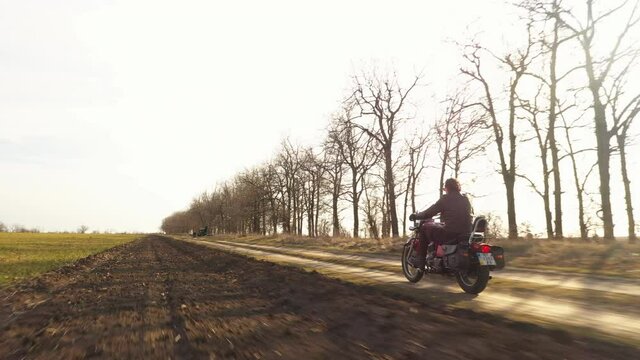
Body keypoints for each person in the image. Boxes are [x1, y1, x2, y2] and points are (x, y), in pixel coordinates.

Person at [408, 178, 472, 270]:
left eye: (445, 188)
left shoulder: (445, 199)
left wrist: (416, 216)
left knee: (424, 228)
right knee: (439, 228)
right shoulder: (465, 199)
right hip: (466, 233)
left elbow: (429, 212)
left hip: (451, 234)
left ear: (447, 188)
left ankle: (420, 260)